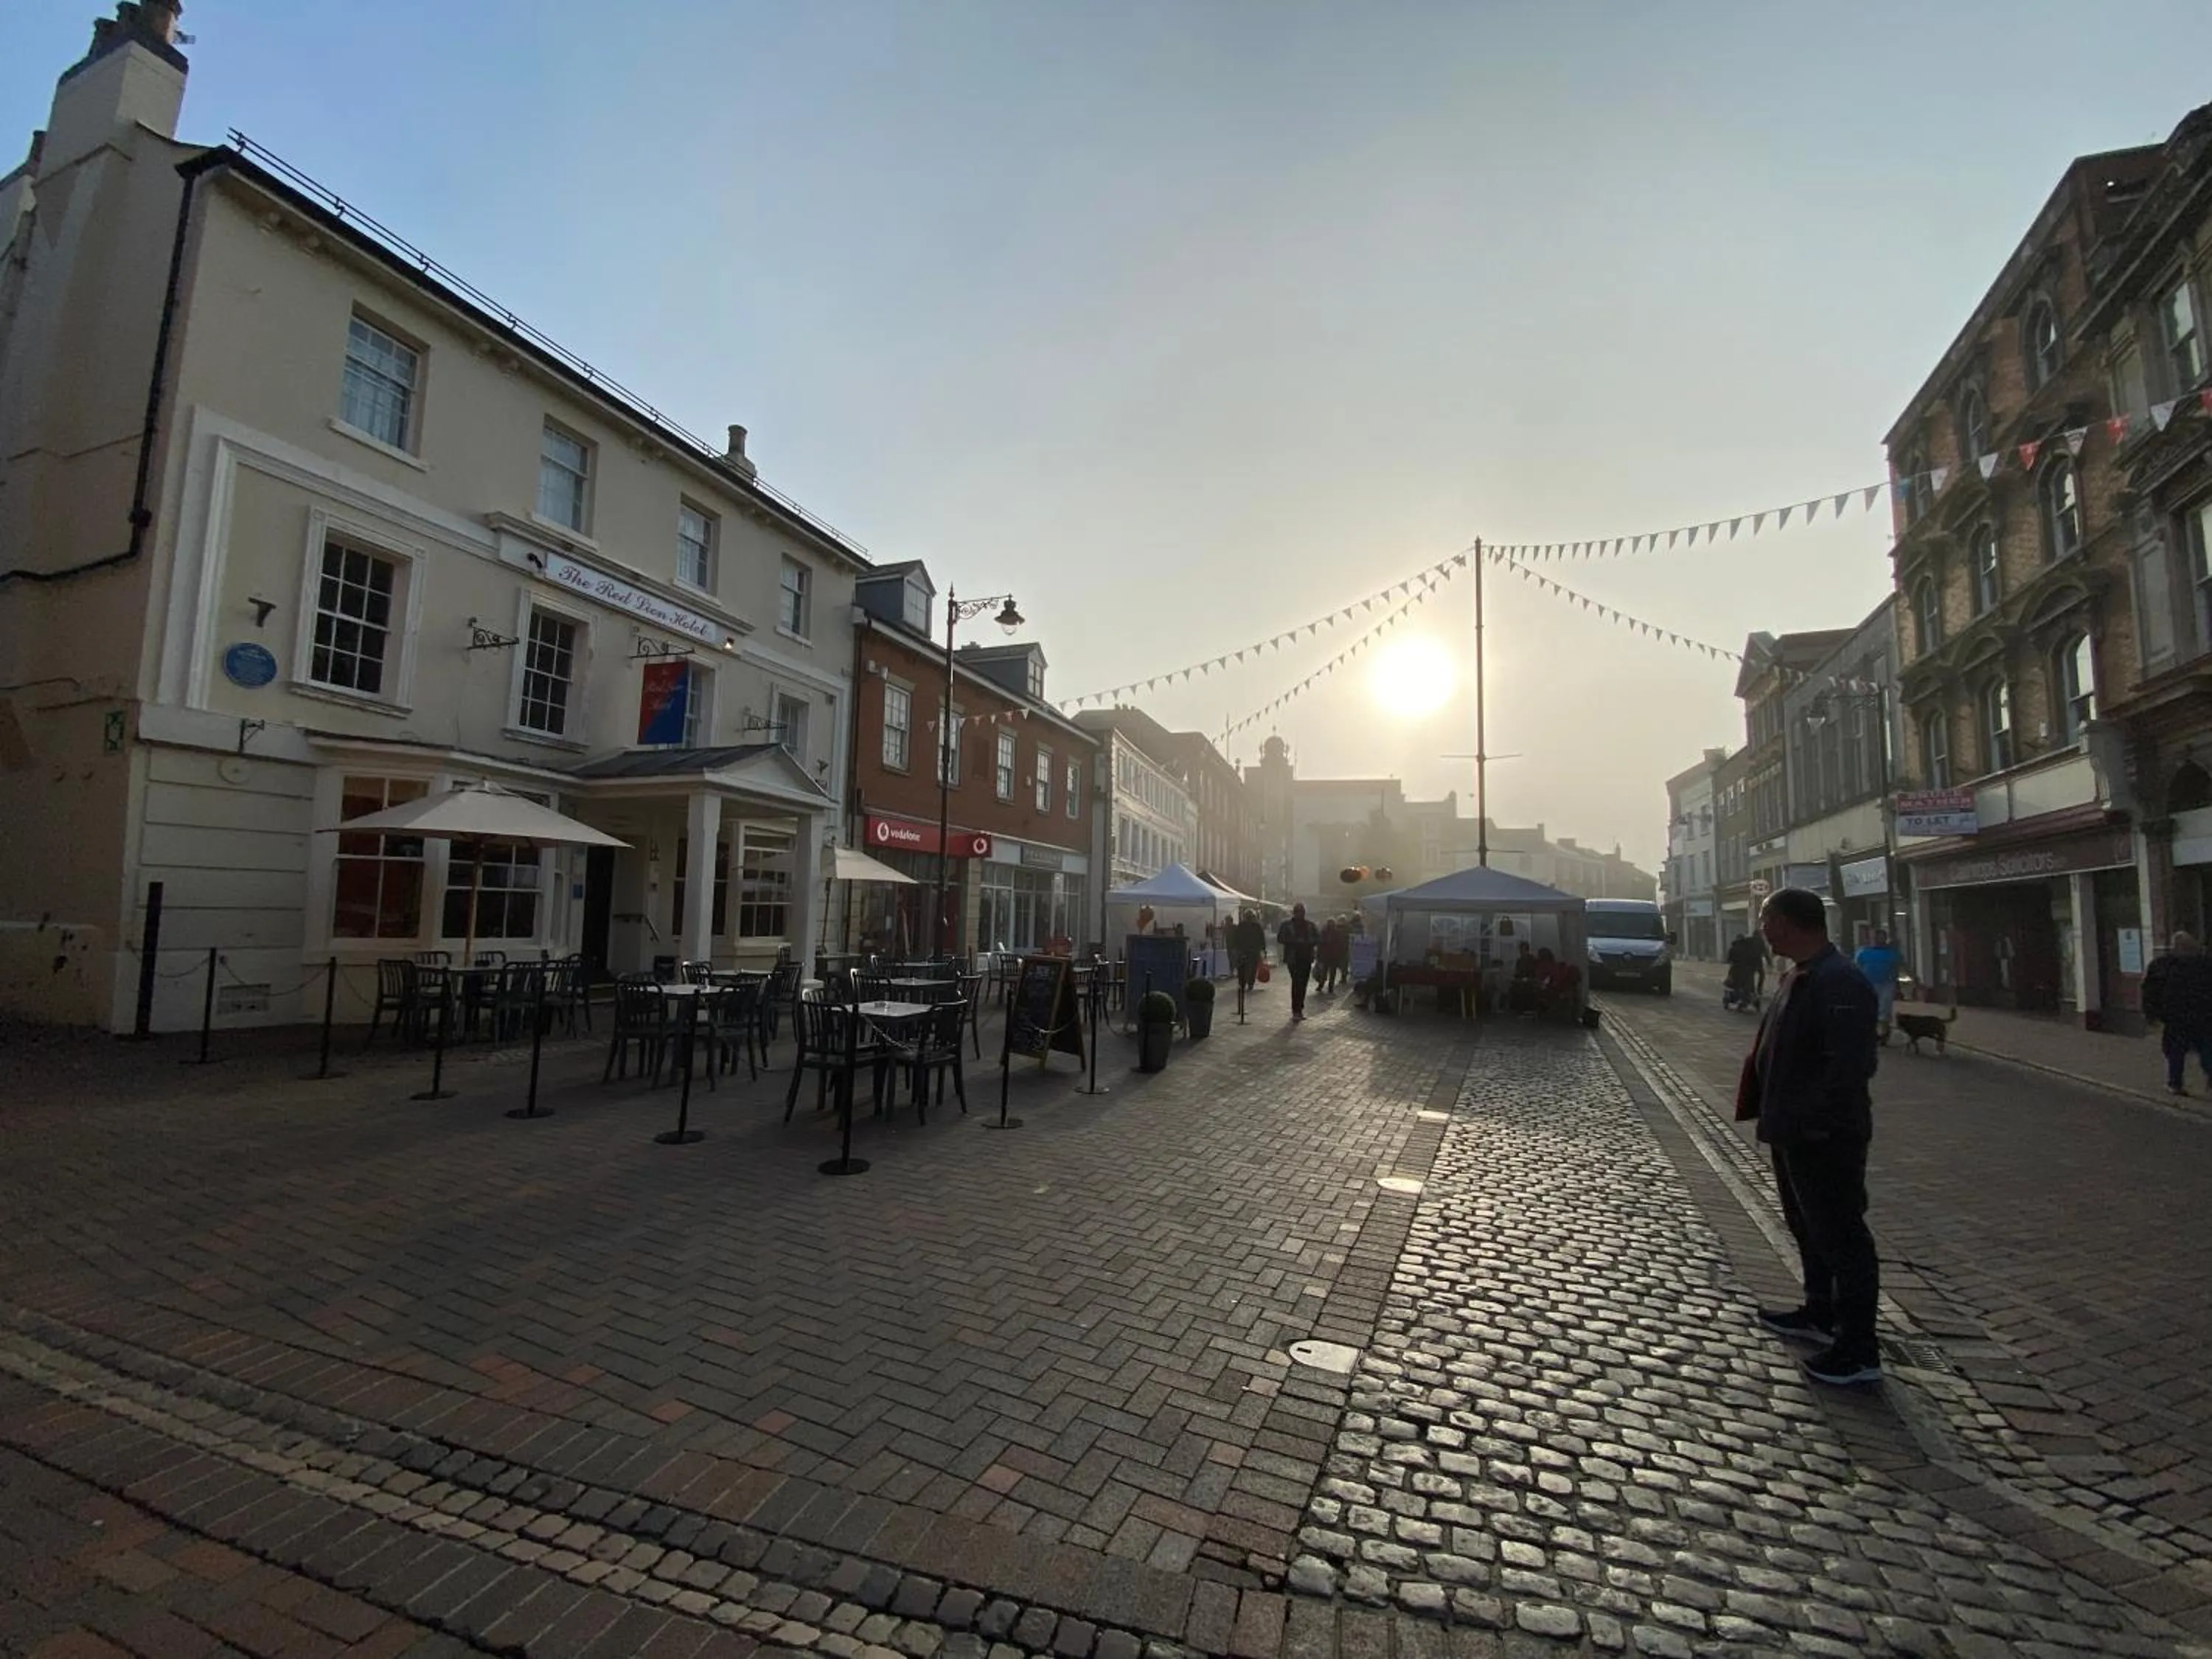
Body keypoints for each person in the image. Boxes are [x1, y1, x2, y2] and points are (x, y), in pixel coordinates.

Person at [1737, 888, 1882, 1388]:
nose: (1762, 928)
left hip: (1824, 1135)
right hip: (1792, 1128)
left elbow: (1849, 1067)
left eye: (1766, 919)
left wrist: (1818, 1122)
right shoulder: (1802, 975)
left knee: (1843, 1236)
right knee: (1808, 1228)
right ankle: (1819, 1313)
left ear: (1787, 922)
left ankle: (1859, 1347)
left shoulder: (1839, 982)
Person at [2142, 931, 2212, 1095]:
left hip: (2175, 1017)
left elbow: (2150, 991)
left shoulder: (2162, 965)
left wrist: (2151, 1014)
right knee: (2207, 1049)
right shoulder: (2207, 965)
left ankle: (2175, 1084)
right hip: (2204, 1016)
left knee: (2175, 1051)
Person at [1854, 929, 1904, 1042]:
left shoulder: (1892, 953)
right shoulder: (1863, 952)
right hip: (1868, 984)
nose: (1878, 939)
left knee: (1884, 1010)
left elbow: (1900, 967)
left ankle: (1884, 1034)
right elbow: (1856, 968)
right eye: (1875, 937)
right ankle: (1871, 1032)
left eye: (1881, 937)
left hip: (1887, 984)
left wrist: (1904, 982)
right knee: (1870, 1009)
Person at [1277, 902, 1322, 1021]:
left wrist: (1307, 942)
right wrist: (1294, 941)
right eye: (1298, 912)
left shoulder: (1310, 925)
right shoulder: (1286, 925)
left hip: (1306, 958)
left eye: (1302, 912)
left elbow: (1318, 938)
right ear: (1294, 913)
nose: (1300, 914)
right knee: (1297, 982)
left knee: (1303, 984)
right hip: (1293, 958)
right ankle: (1296, 1010)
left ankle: (1299, 1009)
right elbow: (1280, 939)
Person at [1725, 930, 1768, 1009]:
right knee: (1751, 984)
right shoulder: (1749, 947)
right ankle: (1755, 994)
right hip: (1749, 968)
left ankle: (1739, 998)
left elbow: (1728, 960)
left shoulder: (1734, 948)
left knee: (1734, 984)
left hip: (1736, 970)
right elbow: (1764, 952)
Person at [1230, 908, 1267, 997]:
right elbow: (1262, 939)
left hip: (1244, 950)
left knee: (1243, 967)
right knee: (1252, 968)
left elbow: (1236, 938)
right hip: (1253, 950)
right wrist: (1263, 949)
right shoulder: (1257, 926)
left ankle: (1243, 983)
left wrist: (1235, 948)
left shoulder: (1242, 925)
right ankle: (1250, 983)